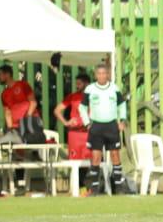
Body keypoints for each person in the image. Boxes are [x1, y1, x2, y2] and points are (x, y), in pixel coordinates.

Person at [79, 63, 128, 192]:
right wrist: (87, 123)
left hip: (111, 125)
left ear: (107, 75)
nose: (101, 76)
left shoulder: (114, 88)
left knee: (115, 155)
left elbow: (122, 105)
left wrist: (122, 120)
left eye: (104, 73)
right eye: (99, 74)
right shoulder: (90, 89)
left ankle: (119, 187)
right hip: (96, 126)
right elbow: (82, 107)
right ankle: (94, 188)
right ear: (95, 75)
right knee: (96, 156)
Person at [55, 72, 92, 167]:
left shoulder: (94, 96)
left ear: (87, 84)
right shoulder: (72, 96)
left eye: (79, 84)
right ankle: (77, 182)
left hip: (89, 134)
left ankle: (86, 181)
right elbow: (57, 110)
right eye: (76, 84)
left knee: (90, 162)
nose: (77, 86)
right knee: (74, 164)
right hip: (74, 134)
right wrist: (66, 122)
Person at [0, 65, 37, 132]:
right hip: (16, 128)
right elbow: (7, 112)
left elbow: (33, 102)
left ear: (7, 74)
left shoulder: (23, 85)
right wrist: (10, 129)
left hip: (30, 124)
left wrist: (27, 119)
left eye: (0, 74)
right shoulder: (4, 94)